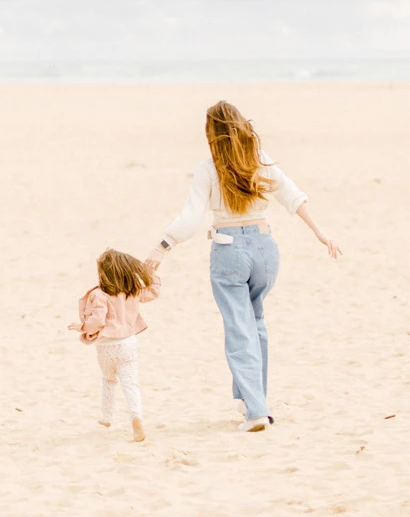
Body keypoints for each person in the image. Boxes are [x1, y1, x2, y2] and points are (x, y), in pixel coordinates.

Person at [145, 100, 340, 433]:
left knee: (239, 329)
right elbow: (293, 196)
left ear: (211, 134)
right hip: (266, 249)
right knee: (255, 321)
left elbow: (190, 219)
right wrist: (320, 233)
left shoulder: (209, 168)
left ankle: (256, 411)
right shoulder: (260, 161)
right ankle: (250, 399)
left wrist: (161, 249)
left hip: (229, 250)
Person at [68, 249, 161, 443]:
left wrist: (83, 327)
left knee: (109, 380)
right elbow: (153, 292)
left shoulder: (99, 294)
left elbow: (98, 320)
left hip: (106, 347)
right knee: (131, 384)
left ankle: (107, 417)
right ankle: (136, 417)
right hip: (128, 344)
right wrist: (152, 274)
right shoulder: (133, 290)